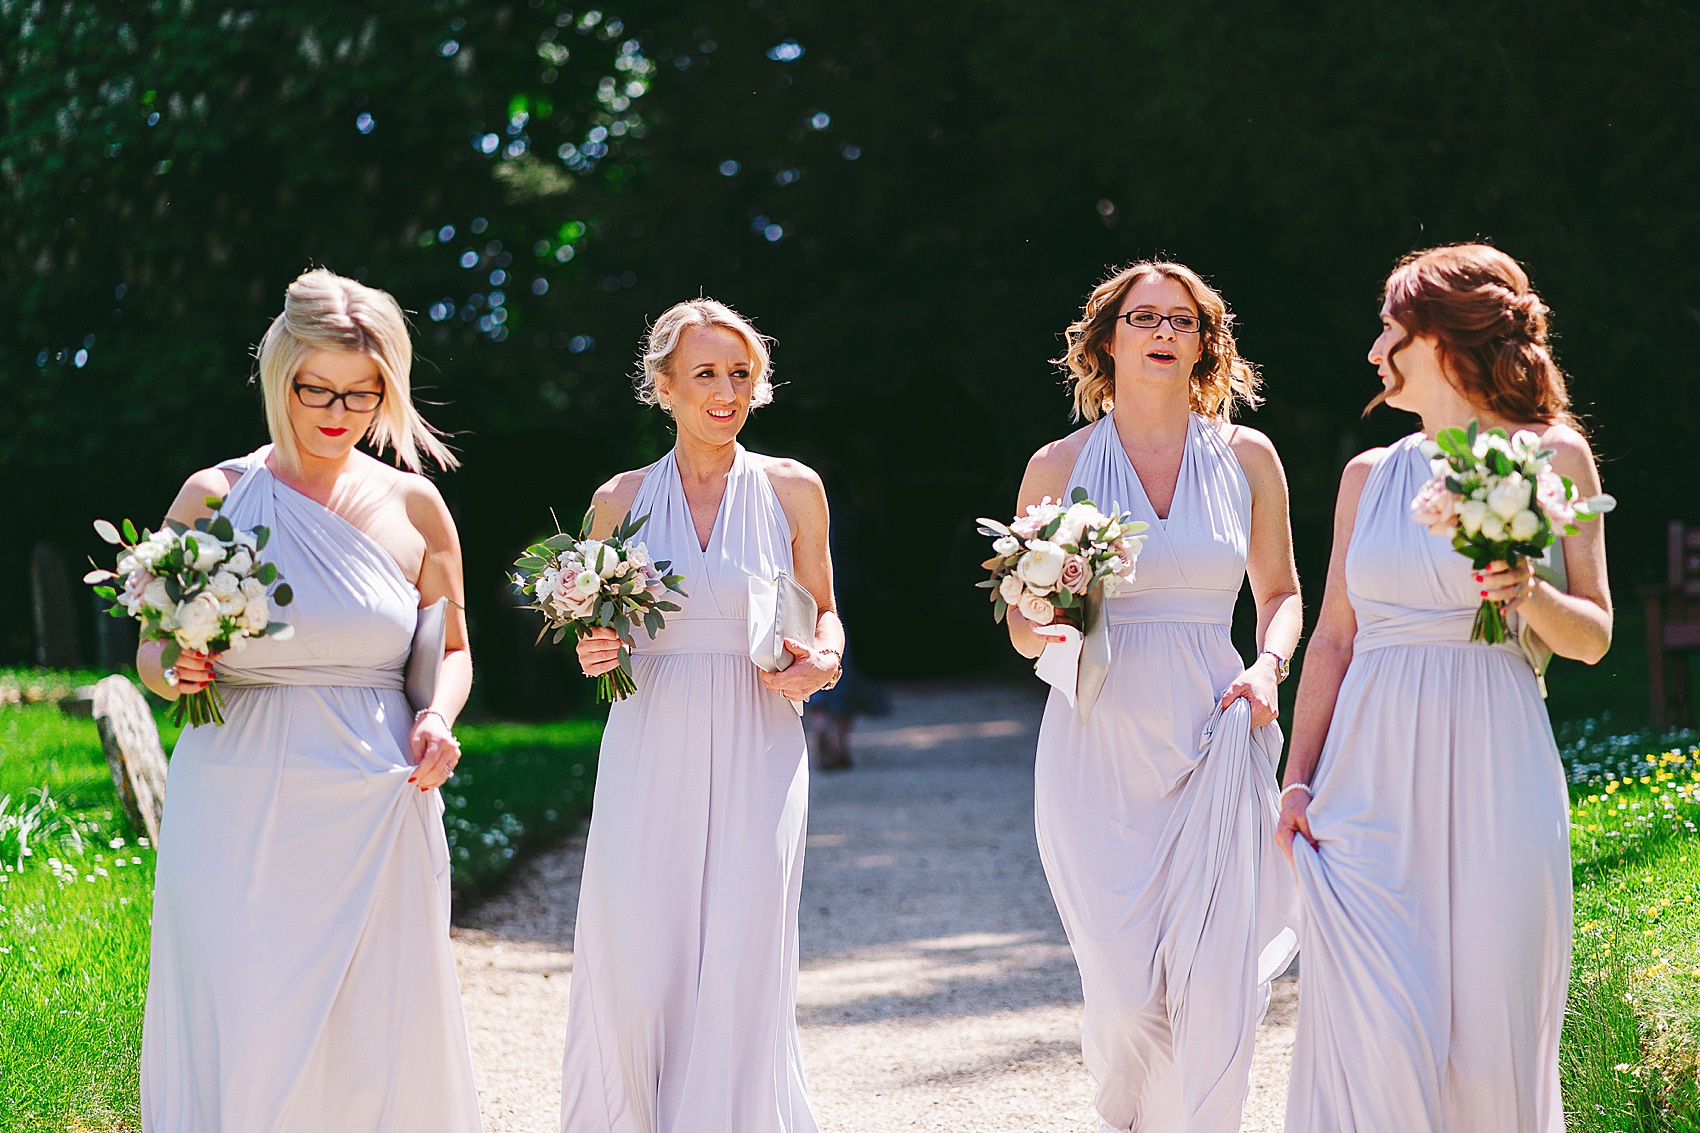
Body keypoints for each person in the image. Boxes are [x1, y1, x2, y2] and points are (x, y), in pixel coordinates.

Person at [1279, 244, 1611, 1132]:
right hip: (1369, 773)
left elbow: (1594, 637)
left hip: (1497, 761)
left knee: (1489, 1012)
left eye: (1392, 326)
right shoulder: (1368, 475)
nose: (1376, 347)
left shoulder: (1553, 455)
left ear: (1443, 337)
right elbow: (1334, 638)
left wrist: (1527, 590)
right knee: (1378, 1013)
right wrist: (1296, 780)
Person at [138, 269, 480, 1130]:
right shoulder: (213, 496)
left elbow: (456, 651)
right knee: (249, 1013)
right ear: (279, 378)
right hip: (238, 784)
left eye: (362, 395)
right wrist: (169, 667)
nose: (338, 411)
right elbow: (148, 643)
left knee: (375, 1022)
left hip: (379, 788)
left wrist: (438, 715)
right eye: (316, 388)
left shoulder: (416, 505)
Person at [1008, 261, 1303, 1131]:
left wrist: (1267, 668)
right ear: (1106, 340)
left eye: (1183, 320)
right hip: (1098, 739)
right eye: (1144, 318)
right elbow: (1024, 626)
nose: (1164, 333)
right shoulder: (1057, 464)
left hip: (1216, 728)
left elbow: (1281, 594)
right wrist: (1048, 621)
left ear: (1206, 342)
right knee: (1129, 995)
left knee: (1213, 988)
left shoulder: (1248, 456)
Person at [561, 298, 842, 1133]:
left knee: (746, 932)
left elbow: (822, 610)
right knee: (641, 940)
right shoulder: (617, 500)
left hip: (761, 730)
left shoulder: (794, 488)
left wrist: (823, 658)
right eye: (707, 374)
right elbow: (591, 623)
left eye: (741, 374)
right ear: (663, 387)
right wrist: (594, 648)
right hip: (651, 731)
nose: (727, 391)